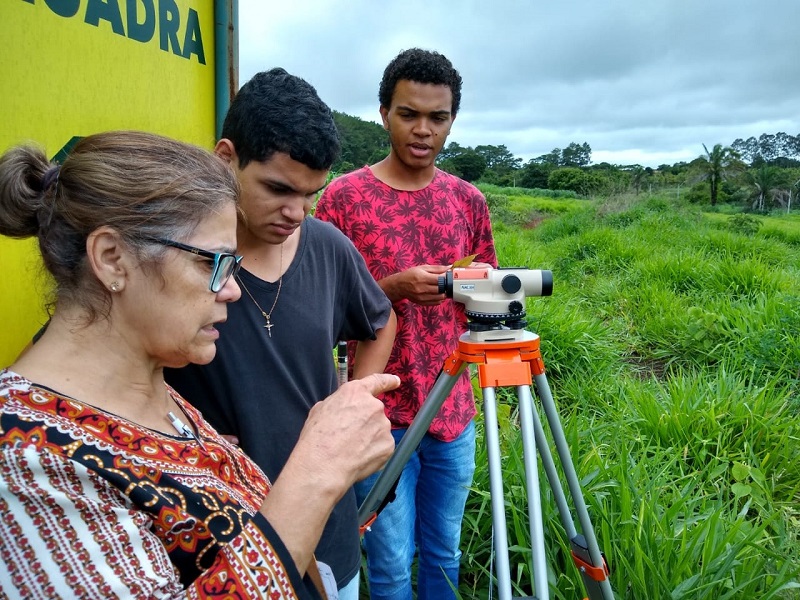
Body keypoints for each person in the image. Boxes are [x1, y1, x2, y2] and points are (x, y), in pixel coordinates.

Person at [0, 130, 399, 599]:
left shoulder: (155, 393)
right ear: (112, 259)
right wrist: (319, 470)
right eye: (213, 264)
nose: (231, 289)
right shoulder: (26, 461)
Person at [164, 68, 396, 599]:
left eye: (311, 194)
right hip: (222, 537)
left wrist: (352, 399)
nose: (296, 212)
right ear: (226, 159)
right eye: (277, 189)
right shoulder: (173, 258)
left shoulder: (329, 248)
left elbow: (381, 321)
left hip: (330, 534)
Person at [316, 48, 498, 599]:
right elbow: (319, 306)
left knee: (445, 550)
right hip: (377, 412)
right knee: (390, 559)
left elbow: (488, 303)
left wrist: (478, 287)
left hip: (453, 409)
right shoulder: (343, 199)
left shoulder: (467, 201)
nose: (423, 130)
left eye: (437, 117)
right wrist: (391, 289)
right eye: (408, 113)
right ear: (383, 113)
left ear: (452, 121)